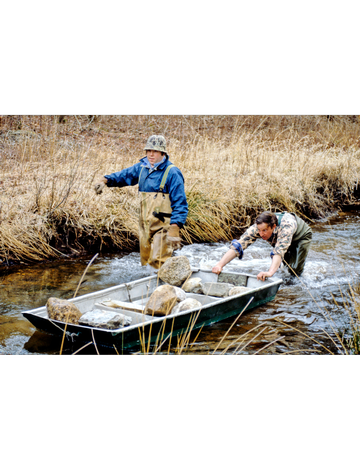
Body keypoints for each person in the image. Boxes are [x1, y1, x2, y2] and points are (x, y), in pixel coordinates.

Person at [94, 135, 188, 269]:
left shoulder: (173, 173)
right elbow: (124, 175)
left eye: (155, 151)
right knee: (146, 262)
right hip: (144, 224)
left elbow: (180, 203)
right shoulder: (142, 167)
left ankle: (163, 288)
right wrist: (105, 180)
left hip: (164, 226)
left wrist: (175, 226)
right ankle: (149, 287)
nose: (151, 154)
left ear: (163, 152)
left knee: (158, 261)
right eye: (148, 150)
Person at [212, 211, 312, 281]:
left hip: (301, 237)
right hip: (280, 237)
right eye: (259, 230)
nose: (261, 234)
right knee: (285, 268)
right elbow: (239, 245)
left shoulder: (286, 227)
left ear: (273, 226)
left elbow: (279, 251)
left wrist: (269, 273)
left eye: (264, 230)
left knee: (294, 271)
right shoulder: (258, 227)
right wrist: (219, 265)